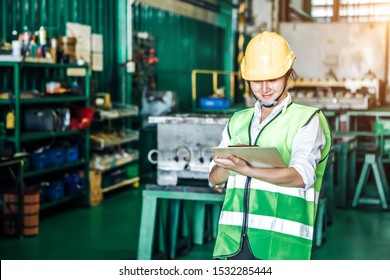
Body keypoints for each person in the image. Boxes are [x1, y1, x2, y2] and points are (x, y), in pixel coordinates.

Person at [209, 31, 332, 260]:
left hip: (280, 246)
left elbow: (302, 176)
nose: (264, 88)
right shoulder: (238, 120)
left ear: (288, 74)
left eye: (272, 79)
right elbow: (214, 178)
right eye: (256, 80)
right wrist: (228, 165)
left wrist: (246, 169)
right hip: (232, 243)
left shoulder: (306, 119)